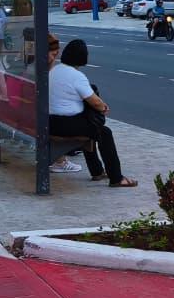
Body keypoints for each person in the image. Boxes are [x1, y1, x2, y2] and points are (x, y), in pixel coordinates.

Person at [48, 36, 136, 186]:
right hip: (64, 125)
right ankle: (116, 178)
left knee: (91, 127)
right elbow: (95, 102)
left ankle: (97, 171)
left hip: (50, 122)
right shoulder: (77, 76)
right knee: (104, 132)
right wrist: (104, 107)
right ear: (83, 57)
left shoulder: (55, 70)